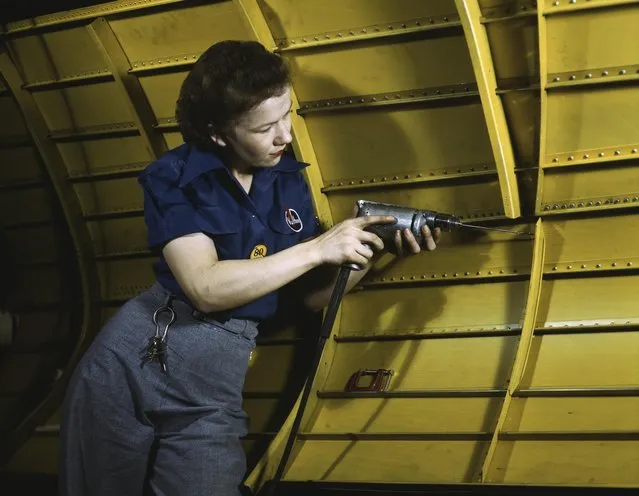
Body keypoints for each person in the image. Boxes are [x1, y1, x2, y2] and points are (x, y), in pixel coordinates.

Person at [59, 40, 441, 496]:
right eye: (265, 127)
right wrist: (318, 248)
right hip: (131, 360)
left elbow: (306, 298)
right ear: (218, 133)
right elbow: (204, 287)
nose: (285, 135)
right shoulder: (172, 177)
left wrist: (370, 250)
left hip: (213, 383)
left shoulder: (288, 181)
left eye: (287, 115)